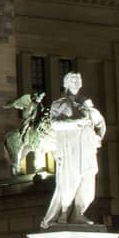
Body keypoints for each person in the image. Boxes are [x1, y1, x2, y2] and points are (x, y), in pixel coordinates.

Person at [40, 71, 106, 227]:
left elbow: (100, 123)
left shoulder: (87, 105)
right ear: (66, 83)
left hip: (87, 148)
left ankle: (78, 213)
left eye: (78, 80)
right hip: (70, 148)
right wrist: (77, 122)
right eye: (72, 80)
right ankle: (63, 213)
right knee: (70, 180)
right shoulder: (59, 103)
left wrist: (98, 135)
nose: (76, 83)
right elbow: (55, 124)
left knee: (88, 180)